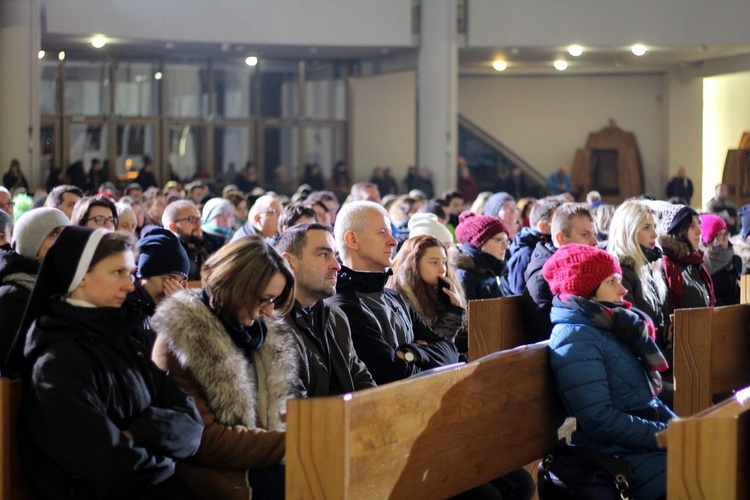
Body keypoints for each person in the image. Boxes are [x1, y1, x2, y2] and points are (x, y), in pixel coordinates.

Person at [21, 227, 203, 498]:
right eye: (118, 273)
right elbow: (105, 462)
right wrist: (166, 462)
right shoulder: (56, 362)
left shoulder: (124, 341)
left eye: (130, 273)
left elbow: (192, 425)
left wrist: (139, 432)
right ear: (80, 276)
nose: (130, 285)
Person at [151, 235, 302, 499]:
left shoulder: (263, 336)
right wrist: (296, 442)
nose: (268, 312)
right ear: (237, 286)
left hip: (261, 460)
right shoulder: (181, 339)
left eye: (273, 302)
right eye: (264, 299)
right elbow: (204, 440)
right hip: (208, 475)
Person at [543, 243, 673, 500]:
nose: (623, 289)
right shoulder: (575, 337)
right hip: (617, 453)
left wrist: (678, 427)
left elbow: (647, 399)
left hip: (638, 443)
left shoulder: (611, 325)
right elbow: (599, 418)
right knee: (716, 467)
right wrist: (662, 435)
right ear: (586, 289)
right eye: (612, 281)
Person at [327, 201, 460, 385]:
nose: (393, 241)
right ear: (353, 240)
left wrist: (412, 353)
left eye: (390, 232)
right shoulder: (342, 306)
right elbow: (394, 375)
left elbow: (450, 351)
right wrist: (424, 355)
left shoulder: (394, 297)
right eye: (382, 232)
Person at [275, 223, 376, 397]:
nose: (336, 265)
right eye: (323, 255)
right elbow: (297, 408)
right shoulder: (274, 325)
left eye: (335, 255)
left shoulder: (335, 317)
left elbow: (360, 379)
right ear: (289, 262)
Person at [0, 208, 69, 374]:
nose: (63, 242)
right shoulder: (12, 296)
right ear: (32, 245)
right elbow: (10, 369)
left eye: (67, 234)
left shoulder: (65, 287)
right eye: (53, 234)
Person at [521, 202, 598, 342]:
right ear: (560, 238)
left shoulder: (589, 268)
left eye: (594, 234)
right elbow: (546, 336)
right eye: (585, 235)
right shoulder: (541, 278)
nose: (595, 242)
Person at [607, 200, 670, 355]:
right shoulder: (621, 272)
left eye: (654, 227)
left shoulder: (650, 265)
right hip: (642, 358)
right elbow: (632, 330)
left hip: (657, 353)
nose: (655, 234)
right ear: (628, 231)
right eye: (646, 227)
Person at [388, 234, 467, 352]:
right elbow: (435, 348)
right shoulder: (400, 296)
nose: (443, 269)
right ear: (414, 263)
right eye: (434, 262)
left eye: (444, 262)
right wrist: (454, 312)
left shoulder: (441, 290)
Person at [126, 228, 190, 353]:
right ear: (143, 274)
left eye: (180, 282)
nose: (171, 289)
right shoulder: (126, 308)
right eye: (167, 279)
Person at [658, 204, 715, 310]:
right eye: (692, 226)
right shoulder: (666, 266)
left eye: (699, 225)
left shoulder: (695, 263)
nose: (700, 231)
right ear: (678, 230)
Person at [506, 197, 561, 295]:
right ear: (543, 226)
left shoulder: (557, 248)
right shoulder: (523, 256)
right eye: (558, 222)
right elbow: (516, 297)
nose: (563, 226)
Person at [450, 211, 510, 301]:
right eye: (500, 240)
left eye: (507, 241)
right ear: (479, 242)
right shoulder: (464, 275)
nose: (506, 247)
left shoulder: (492, 268)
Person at [699, 213, 741, 306]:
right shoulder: (702, 265)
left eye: (725, 234)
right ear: (708, 240)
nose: (725, 239)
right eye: (719, 235)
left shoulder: (735, 260)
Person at [162, 200, 208, 281]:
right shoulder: (166, 253)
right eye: (192, 219)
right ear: (173, 227)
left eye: (199, 219)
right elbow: (176, 287)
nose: (199, 224)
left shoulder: (202, 250)